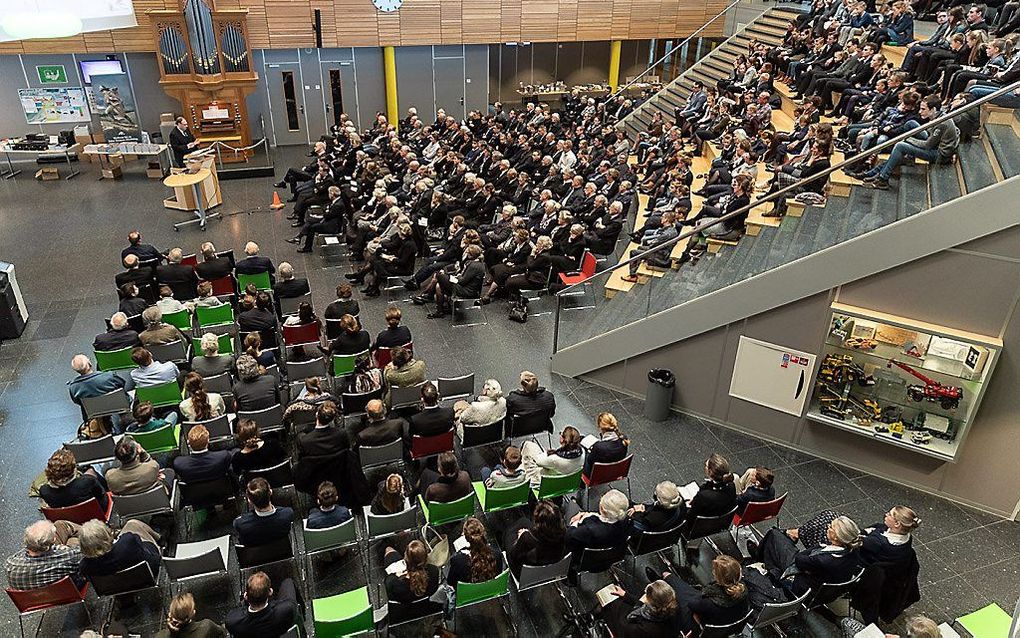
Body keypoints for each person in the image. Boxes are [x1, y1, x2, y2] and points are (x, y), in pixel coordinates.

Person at [757, 515, 863, 596]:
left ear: (836, 537)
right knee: (780, 545)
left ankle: (760, 557)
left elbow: (799, 559)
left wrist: (819, 546)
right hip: (823, 586)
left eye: (831, 527)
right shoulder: (854, 550)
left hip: (800, 585)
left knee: (774, 535)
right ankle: (765, 554)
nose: (828, 527)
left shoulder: (824, 560)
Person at [657, 555, 749, 634]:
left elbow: (692, 605)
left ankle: (662, 583)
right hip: (728, 627)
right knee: (687, 592)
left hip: (703, 628)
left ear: (718, 578)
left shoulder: (710, 602)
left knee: (680, 599)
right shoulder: (743, 591)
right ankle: (666, 580)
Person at [5, 520, 84, 591]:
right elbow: (84, 553)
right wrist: (62, 548)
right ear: (53, 540)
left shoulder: (10, 564)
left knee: (59, 525)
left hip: (33, 598)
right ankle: (92, 532)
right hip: (66, 591)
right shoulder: (69, 558)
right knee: (73, 540)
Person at [225, 572, 303, 638]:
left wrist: (243, 602)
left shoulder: (232, 622)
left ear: (246, 596)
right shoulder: (287, 609)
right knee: (288, 582)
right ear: (270, 592)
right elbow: (290, 601)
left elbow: (237, 611)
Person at [79, 518, 161, 579]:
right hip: (149, 572)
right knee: (133, 525)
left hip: (117, 586)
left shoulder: (85, 566)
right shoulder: (127, 542)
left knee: (131, 525)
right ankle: (159, 538)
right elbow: (138, 541)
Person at [565, 489, 633, 562]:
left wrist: (576, 522)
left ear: (602, 509)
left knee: (571, 507)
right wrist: (589, 515)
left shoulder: (588, 530)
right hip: (613, 557)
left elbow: (569, 536)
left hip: (587, 561)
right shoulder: (627, 521)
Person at [599, 579, 681, 638]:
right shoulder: (673, 607)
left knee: (612, 606)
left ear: (650, 603)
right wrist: (625, 595)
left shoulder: (645, 629)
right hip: (639, 626)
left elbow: (624, 627)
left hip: (629, 630)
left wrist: (640, 602)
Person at [506, 500, 567, 577]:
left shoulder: (527, 538)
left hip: (524, 574)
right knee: (524, 521)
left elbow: (514, 556)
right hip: (550, 569)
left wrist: (520, 537)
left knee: (509, 533)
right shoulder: (563, 534)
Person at [39, 449, 109, 511]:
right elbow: (104, 496)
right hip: (97, 514)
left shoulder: (44, 491)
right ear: (73, 469)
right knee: (95, 468)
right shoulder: (88, 481)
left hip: (68, 521)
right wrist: (89, 475)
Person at [233, 477, 295, 547]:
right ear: (270, 492)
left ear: (249, 501)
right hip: (284, 551)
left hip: (256, 555)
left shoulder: (240, 524)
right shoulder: (287, 514)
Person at [383, 540, 441, 613]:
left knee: (388, 549)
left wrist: (395, 576)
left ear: (405, 558)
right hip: (426, 609)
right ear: (426, 557)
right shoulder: (434, 571)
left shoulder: (393, 582)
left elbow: (391, 596)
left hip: (403, 613)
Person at [684, 453, 738, 530]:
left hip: (698, 529)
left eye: (706, 465)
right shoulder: (731, 486)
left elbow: (690, 517)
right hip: (719, 525)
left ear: (710, 472)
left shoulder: (704, 496)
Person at [447, 517, 504, 589]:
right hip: (490, 590)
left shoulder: (457, 561)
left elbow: (450, 582)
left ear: (466, 538)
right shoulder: (497, 555)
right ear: (484, 534)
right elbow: (498, 574)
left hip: (466, 595)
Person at [155, 591, 228, 638]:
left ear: (171, 614)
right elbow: (223, 634)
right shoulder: (206, 626)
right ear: (193, 613)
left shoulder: (160, 636)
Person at [583, 411, 629, 476]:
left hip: (596, 474)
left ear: (601, 428)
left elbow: (590, 461)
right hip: (615, 472)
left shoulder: (599, 446)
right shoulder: (624, 439)